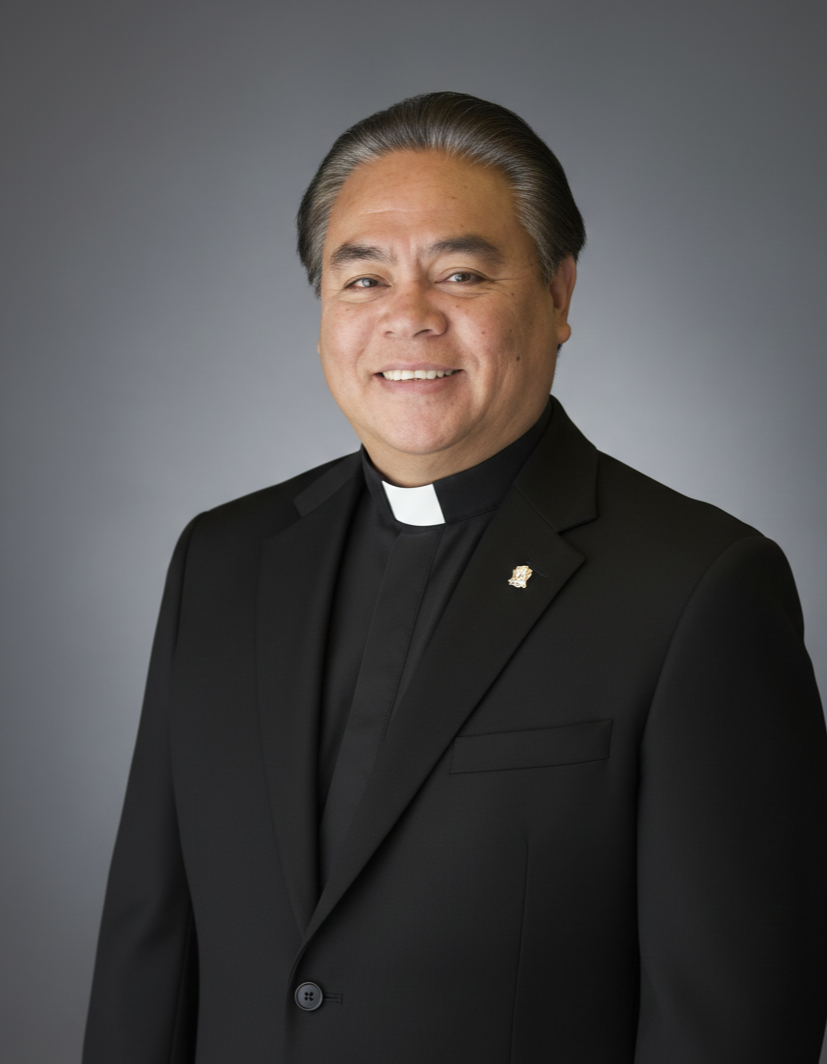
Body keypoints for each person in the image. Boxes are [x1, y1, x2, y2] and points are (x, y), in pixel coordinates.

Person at [82, 92, 827, 1063]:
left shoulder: (697, 587)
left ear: (558, 297)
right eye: (362, 280)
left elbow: (732, 1025)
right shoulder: (220, 560)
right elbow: (149, 951)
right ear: (320, 315)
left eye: (461, 273)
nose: (407, 318)